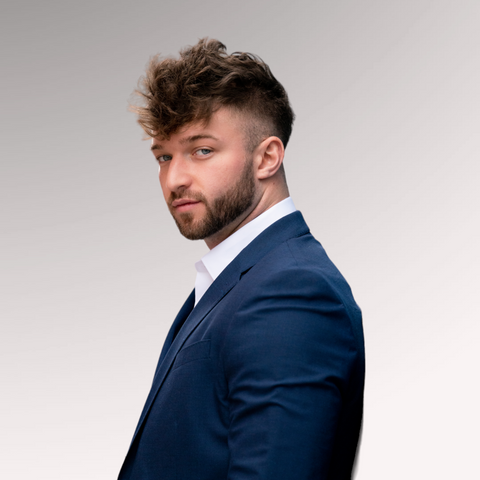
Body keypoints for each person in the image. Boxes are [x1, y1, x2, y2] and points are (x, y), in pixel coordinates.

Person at [118, 38, 365, 480]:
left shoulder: (291, 291)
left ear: (267, 157)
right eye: (163, 156)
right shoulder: (240, 280)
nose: (174, 178)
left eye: (202, 150)